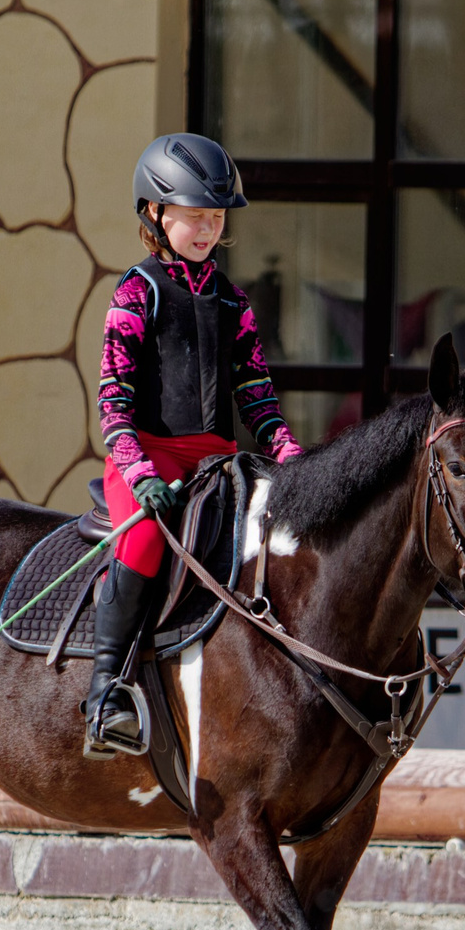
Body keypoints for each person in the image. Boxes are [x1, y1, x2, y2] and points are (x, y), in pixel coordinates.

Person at [85, 132, 305, 758]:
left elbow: (257, 393)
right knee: (147, 538)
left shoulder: (234, 300)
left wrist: (289, 454)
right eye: (195, 216)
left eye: (216, 218)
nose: (209, 229)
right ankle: (107, 694)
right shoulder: (135, 293)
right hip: (146, 457)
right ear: (156, 214)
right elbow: (114, 401)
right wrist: (137, 469)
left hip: (220, 460)